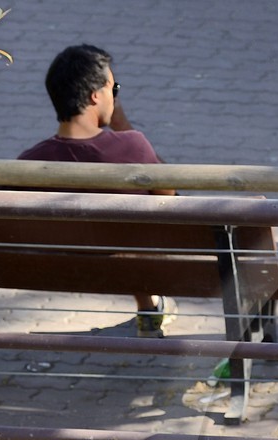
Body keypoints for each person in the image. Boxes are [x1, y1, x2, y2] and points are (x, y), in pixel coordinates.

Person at [19, 43, 177, 337]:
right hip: (133, 264)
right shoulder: (132, 146)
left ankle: (149, 310)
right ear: (96, 95)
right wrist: (124, 127)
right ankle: (150, 308)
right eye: (113, 89)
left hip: (60, 272)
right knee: (136, 232)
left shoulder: (28, 163)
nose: (114, 97)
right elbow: (169, 195)